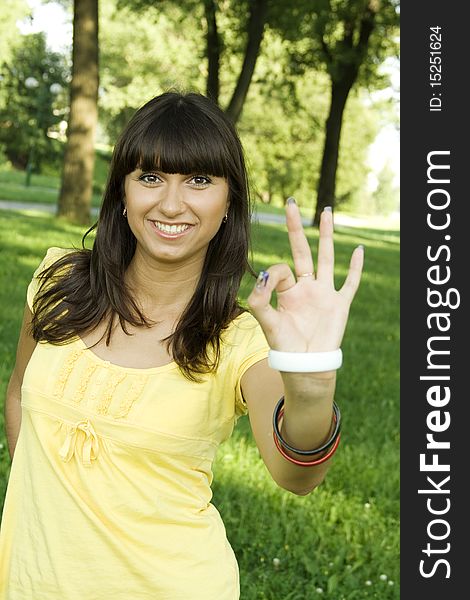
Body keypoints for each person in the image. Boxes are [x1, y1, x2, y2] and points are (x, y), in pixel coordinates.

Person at [0, 91, 363, 599]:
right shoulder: (56, 282)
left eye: (199, 180)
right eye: (150, 177)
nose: (171, 203)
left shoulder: (239, 342)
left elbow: (294, 474)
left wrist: (314, 382)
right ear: (122, 192)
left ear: (229, 200)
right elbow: (18, 394)